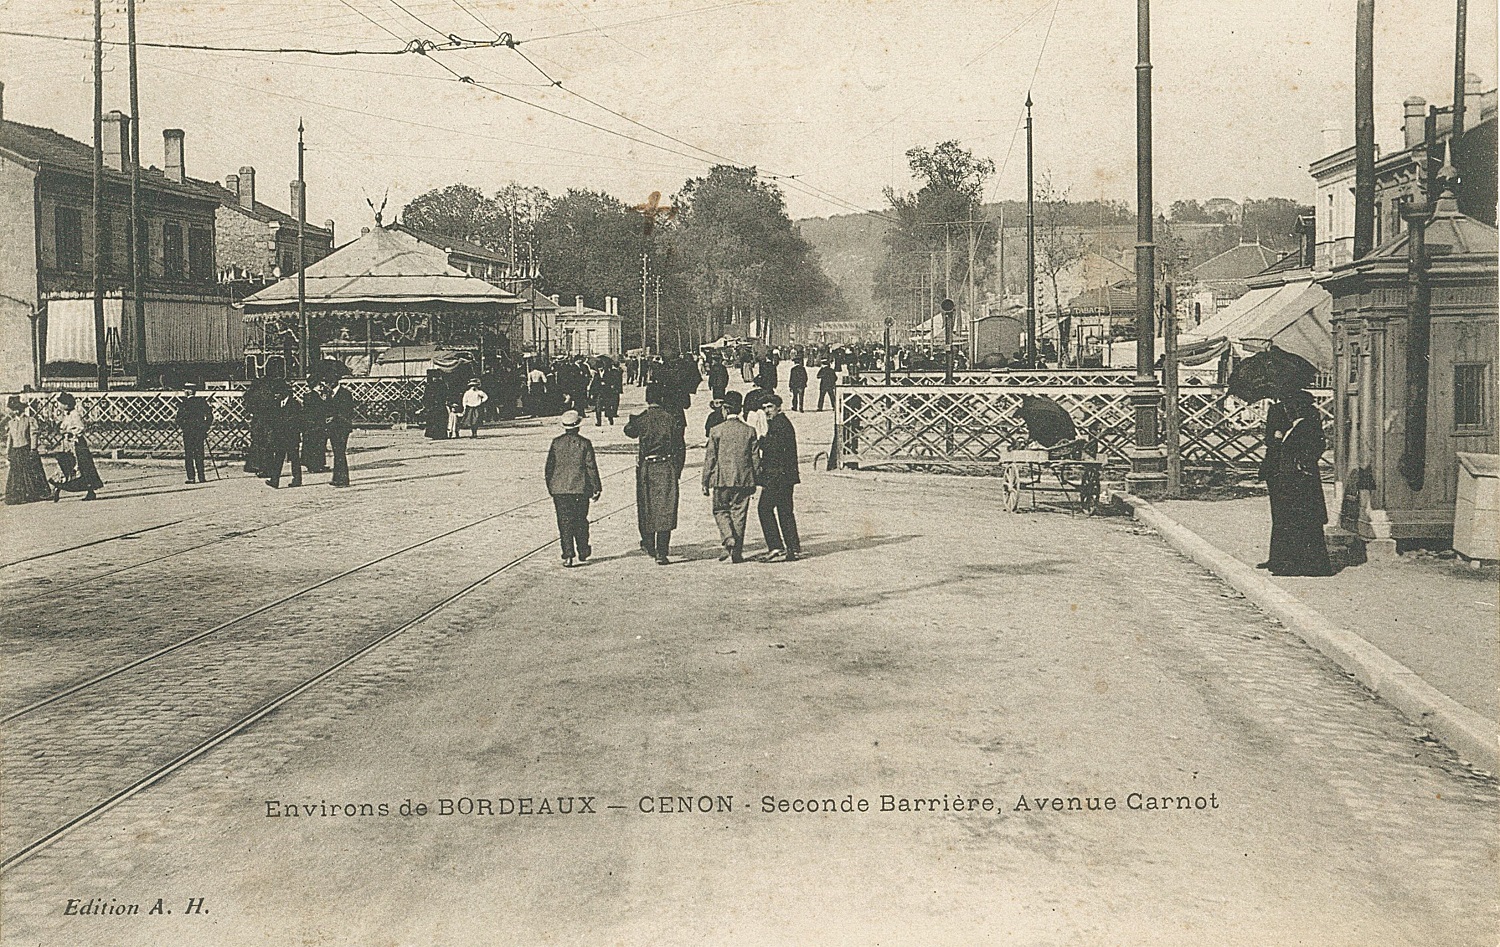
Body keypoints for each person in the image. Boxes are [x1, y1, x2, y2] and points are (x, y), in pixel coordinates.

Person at [1258, 389, 1334, 576]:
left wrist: (1304, 460)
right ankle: (1278, 559)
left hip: (1301, 472)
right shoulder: (1276, 410)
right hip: (1278, 469)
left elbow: (1319, 442)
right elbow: (1269, 439)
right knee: (1281, 515)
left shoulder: (1310, 412)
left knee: (1302, 516)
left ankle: (1305, 563)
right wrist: (1277, 436)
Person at [623, 383, 686, 565]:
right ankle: (662, 552)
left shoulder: (643, 419)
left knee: (646, 506)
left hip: (647, 467)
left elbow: (629, 431)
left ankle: (649, 544)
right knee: (666, 508)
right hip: (666, 466)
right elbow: (679, 447)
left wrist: (634, 419)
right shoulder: (670, 418)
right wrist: (677, 470)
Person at [702, 390, 759, 563]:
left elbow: (710, 458)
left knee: (720, 510)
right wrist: (756, 478)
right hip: (744, 479)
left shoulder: (716, 431)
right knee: (739, 514)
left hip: (722, 479)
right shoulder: (750, 431)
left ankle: (728, 537)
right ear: (740, 410)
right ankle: (737, 552)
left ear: (725, 409)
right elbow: (755, 458)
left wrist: (705, 481)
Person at [544, 410, 602, 567]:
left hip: (560, 490)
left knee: (564, 522)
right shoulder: (584, 443)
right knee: (580, 520)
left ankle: (568, 555)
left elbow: (549, 467)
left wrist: (551, 485)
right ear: (578, 427)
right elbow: (591, 467)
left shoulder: (556, 443)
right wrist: (596, 487)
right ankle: (583, 549)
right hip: (580, 488)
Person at [757, 394, 801, 562]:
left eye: (770, 406)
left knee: (764, 509)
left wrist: (761, 440)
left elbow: (773, 449)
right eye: (764, 407)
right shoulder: (782, 423)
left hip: (777, 476)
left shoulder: (778, 425)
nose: (767, 410)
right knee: (785, 511)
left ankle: (776, 547)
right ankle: (793, 547)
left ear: (778, 407)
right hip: (786, 476)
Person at [50, 391, 104, 500]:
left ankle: (90, 491)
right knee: (64, 464)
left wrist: (71, 432)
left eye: (61, 403)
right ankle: (57, 488)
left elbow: (80, 427)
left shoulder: (75, 414)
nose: (59, 406)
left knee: (82, 466)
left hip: (77, 443)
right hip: (67, 443)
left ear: (67, 404)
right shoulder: (66, 415)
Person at [5, 396, 52, 505]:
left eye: (14, 409)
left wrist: (33, 449)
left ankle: (34, 493)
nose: (12, 411)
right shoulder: (11, 423)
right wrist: (8, 453)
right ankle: (19, 495)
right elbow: (10, 440)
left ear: (18, 409)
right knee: (16, 474)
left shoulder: (29, 420)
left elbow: (33, 435)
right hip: (16, 451)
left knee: (30, 472)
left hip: (26, 450)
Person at [264, 387, 305, 489]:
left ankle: (297, 479)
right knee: (278, 458)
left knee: (294, 458)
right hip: (280, 436)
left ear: (283, 393)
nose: (275, 396)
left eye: (277, 393)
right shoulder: (277, 403)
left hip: (291, 436)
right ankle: (275, 480)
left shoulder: (294, 404)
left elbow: (296, 420)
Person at [176, 382, 213, 483]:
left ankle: (191, 477)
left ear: (188, 391)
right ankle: (201, 476)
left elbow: (178, 419)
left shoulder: (184, 403)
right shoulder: (202, 402)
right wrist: (205, 428)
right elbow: (209, 416)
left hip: (188, 432)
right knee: (199, 454)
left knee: (189, 455)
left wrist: (184, 427)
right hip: (200, 431)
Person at [324, 378, 356, 487]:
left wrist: (335, 417)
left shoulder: (345, 394)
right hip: (333, 427)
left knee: (340, 452)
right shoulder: (329, 394)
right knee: (337, 452)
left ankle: (343, 479)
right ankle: (337, 478)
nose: (327, 384)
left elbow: (347, 410)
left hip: (342, 427)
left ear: (335, 381)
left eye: (329, 382)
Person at [300, 383, 330, 472]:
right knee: (315, 444)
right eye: (319, 385)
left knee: (318, 444)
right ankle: (314, 465)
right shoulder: (312, 396)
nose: (321, 387)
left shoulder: (316, 395)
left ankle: (318, 464)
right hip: (314, 424)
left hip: (315, 424)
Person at [590, 359, 622, 426]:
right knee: (598, 408)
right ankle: (599, 422)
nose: (600, 369)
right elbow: (593, 384)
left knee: (608, 408)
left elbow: (612, 381)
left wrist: (607, 384)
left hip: (607, 393)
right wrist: (591, 393)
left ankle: (610, 419)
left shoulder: (608, 373)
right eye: (598, 368)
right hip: (599, 393)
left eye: (601, 367)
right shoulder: (597, 375)